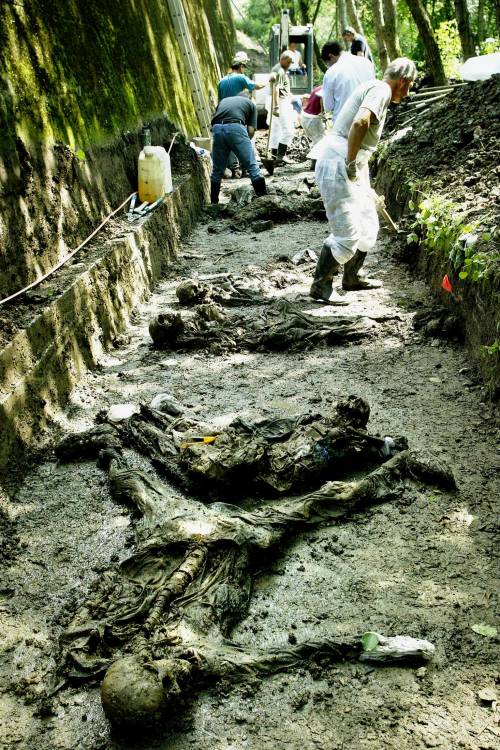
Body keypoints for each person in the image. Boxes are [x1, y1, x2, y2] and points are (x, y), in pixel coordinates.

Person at [308, 58, 417, 304]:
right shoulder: (381, 89)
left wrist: (363, 179)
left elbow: (362, 143)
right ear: (403, 81)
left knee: (368, 222)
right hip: (339, 161)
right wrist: (350, 162)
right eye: (410, 86)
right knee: (347, 233)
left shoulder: (375, 87)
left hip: (352, 161)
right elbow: (360, 122)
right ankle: (320, 286)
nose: (408, 92)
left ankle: (352, 277)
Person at [210, 94, 267, 204]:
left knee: (217, 170)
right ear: (248, 97)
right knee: (253, 167)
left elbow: (218, 120)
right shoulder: (251, 104)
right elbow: (251, 131)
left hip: (217, 129)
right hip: (236, 127)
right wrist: (243, 147)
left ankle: (214, 204)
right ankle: (264, 200)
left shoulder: (224, 101)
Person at [218, 53, 265, 178]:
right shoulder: (241, 78)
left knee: (228, 141)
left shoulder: (221, 81)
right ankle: (245, 168)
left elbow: (220, 100)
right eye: (244, 67)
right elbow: (256, 86)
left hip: (224, 113)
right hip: (239, 113)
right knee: (245, 138)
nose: (244, 69)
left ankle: (234, 169)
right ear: (241, 66)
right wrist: (268, 81)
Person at [321, 40, 375, 122]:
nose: (328, 66)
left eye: (328, 63)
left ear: (331, 56)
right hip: (368, 119)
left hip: (344, 123)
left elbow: (328, 106)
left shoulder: (331, 72)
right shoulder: (367, 63)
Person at [269, 51, 295, 163]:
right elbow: (275, 89)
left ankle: (274, 155)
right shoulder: (279, 70)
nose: (289, 65)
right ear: (282, 59)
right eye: (288, 62)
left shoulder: (279, 69)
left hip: (280, 100)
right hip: (280, 101)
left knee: (276, 130)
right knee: (289, 130)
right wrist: (276, 107)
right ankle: (281, 156)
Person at [301, 85, 325, 168]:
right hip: (312, 118)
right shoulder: (325, 88)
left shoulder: (318, 88)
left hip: (305, 116)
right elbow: (322, 98)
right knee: (321, 141)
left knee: (316, 141)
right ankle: (315, 163)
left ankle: (315, 163)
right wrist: (323, 112)